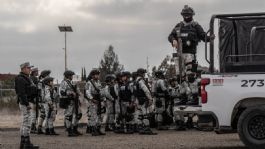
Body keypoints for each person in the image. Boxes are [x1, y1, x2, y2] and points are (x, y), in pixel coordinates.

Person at [168, 5, 215, 76]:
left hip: (190, 54)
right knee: (180, 77)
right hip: (179, 54)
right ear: (182, 15)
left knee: (190, 76)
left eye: (188, 15)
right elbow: (170, 36)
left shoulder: (196, 26)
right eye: (185, 15)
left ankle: (192, 83)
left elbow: (203, 36)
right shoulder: (179, 26)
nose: (186, 16)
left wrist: (210, 38)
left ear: (192, 15)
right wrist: (173, 40)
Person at [15, 62, 39, 149]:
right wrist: (26, 103)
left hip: (27, 101)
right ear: (24, 68)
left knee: (25, 122)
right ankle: (26, 143)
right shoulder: (20, 79)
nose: (30, 70)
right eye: (28, 68)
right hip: (25, 102)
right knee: (27, 123)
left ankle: (23, 143)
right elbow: (21, 93)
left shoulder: (26, 78)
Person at [59, 70, 82, 137]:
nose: (72, 76)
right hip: (69, 101)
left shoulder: (73, 82)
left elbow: (77, 91)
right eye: (71, 75)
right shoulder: (64, 83)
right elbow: (62, 92)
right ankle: (69, 130)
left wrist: (80, 97)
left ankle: (75, 128)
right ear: (68, 76)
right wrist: (70, 93)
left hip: (75, 101)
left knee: (79, 114)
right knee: (68, 116)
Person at [134, 68, 157, 135]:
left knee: (140, 115)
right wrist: (150, 98)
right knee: (146, 114)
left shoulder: (135, 81)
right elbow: (146, 90)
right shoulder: (141, 81)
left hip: (138, 100)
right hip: (143, 99)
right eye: (143, 73)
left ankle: (141, 128)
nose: (144, 74)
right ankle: (147, 129)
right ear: (141, 74)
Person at [85, 69, 106, 136]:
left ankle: (98, 129)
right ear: (92, 75)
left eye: (98, 74)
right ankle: (94, 130)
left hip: (99, 100)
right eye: (96, 74)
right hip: (93, 101)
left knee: (100, 115)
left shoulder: (99, 82)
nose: (97, 76)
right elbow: (87, 92)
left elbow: (101, 91)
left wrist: (104, 98)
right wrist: (92, 99)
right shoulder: (89, 83)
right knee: (94, 116)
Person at [36, 70, 51, 134]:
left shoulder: (40, 81)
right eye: (48, 74)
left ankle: (39, 128)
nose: (49, 76)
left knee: (42, 114)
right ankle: (46, 128)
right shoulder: (42, 82)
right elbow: (39, 92)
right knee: (46, 114)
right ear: (45, 75)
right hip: (43, 101)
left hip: (41, 100)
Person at [29, 68, 39, 133]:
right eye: (37, 71)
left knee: (33, 113)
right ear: (34, 72)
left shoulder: (30, 78)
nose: (38, 72)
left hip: (31, 99)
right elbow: (35, 89)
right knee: (34, 114)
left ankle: (33, 127)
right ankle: (33, 128)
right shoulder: (34, 78)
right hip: (33, 99)